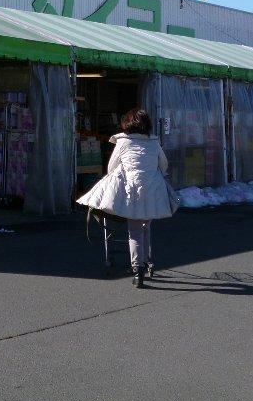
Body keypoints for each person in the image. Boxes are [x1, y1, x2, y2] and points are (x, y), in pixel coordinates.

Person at [76, 108, 177, 287]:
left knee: (135, 232)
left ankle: (137, 269)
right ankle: (146, 261)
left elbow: (111, 168)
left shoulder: (123, 143)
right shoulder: (154, 143)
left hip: (132, 192)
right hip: (153, 192)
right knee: (146, 227)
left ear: (127, 124)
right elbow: (164, 165)